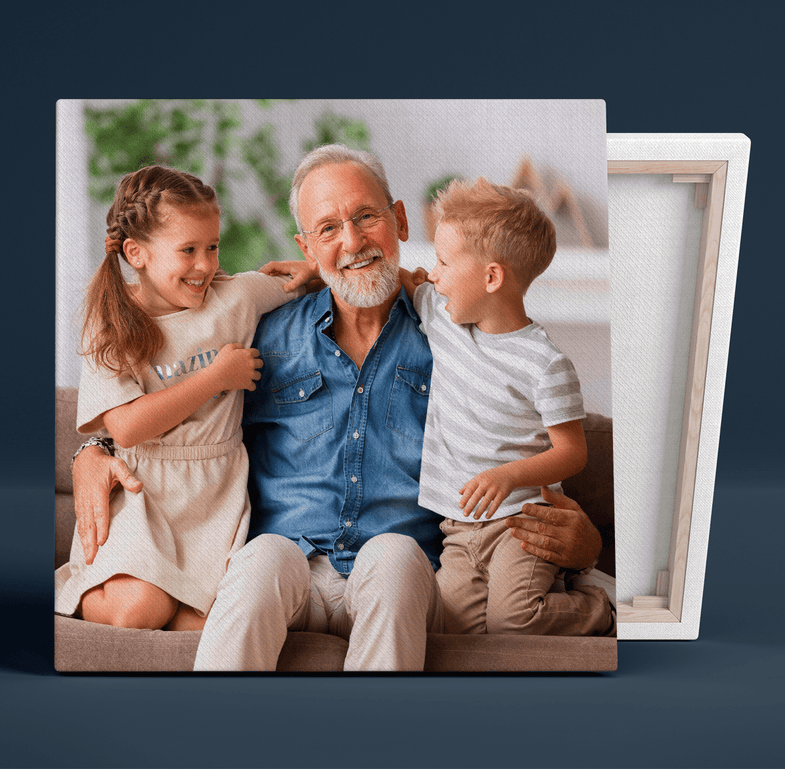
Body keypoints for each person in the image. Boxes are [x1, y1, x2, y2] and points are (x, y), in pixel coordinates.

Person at [71, 146, 611, 670]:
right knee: (261, 559)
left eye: (366, 216)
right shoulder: (263, 332)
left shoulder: (455, 338)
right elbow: (183, 407)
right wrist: (94, 449)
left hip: (401, 575)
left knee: (395, 555)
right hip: (289, 566)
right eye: (327, 228)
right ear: (307, 249)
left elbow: (521, 436)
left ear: (399, 220)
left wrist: (584, 547)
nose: (351, 241)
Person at [55, 165, 300, 631]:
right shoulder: (110, 317)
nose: (205, 265)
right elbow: (125, 426)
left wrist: (308, 269)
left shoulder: (236, 298)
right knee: (140, 611)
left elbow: (308, 283)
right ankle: (76, 588)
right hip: (144, 490)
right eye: (187, 250)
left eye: (212, 246)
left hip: (215, 493)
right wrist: (214, 378)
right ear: (137, 253)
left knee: (199, 627)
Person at [408, 177, 612, 634]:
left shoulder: (546, 363)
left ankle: (603, 608)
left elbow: (572, 453)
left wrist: (508, 475)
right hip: (459, 530)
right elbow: (401, 280)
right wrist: (311, 274)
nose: (432, 274)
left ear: (492, 277)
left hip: (524, 524)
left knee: (515, 620)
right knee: (449, 628)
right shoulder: (442, 319)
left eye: (443, 262)